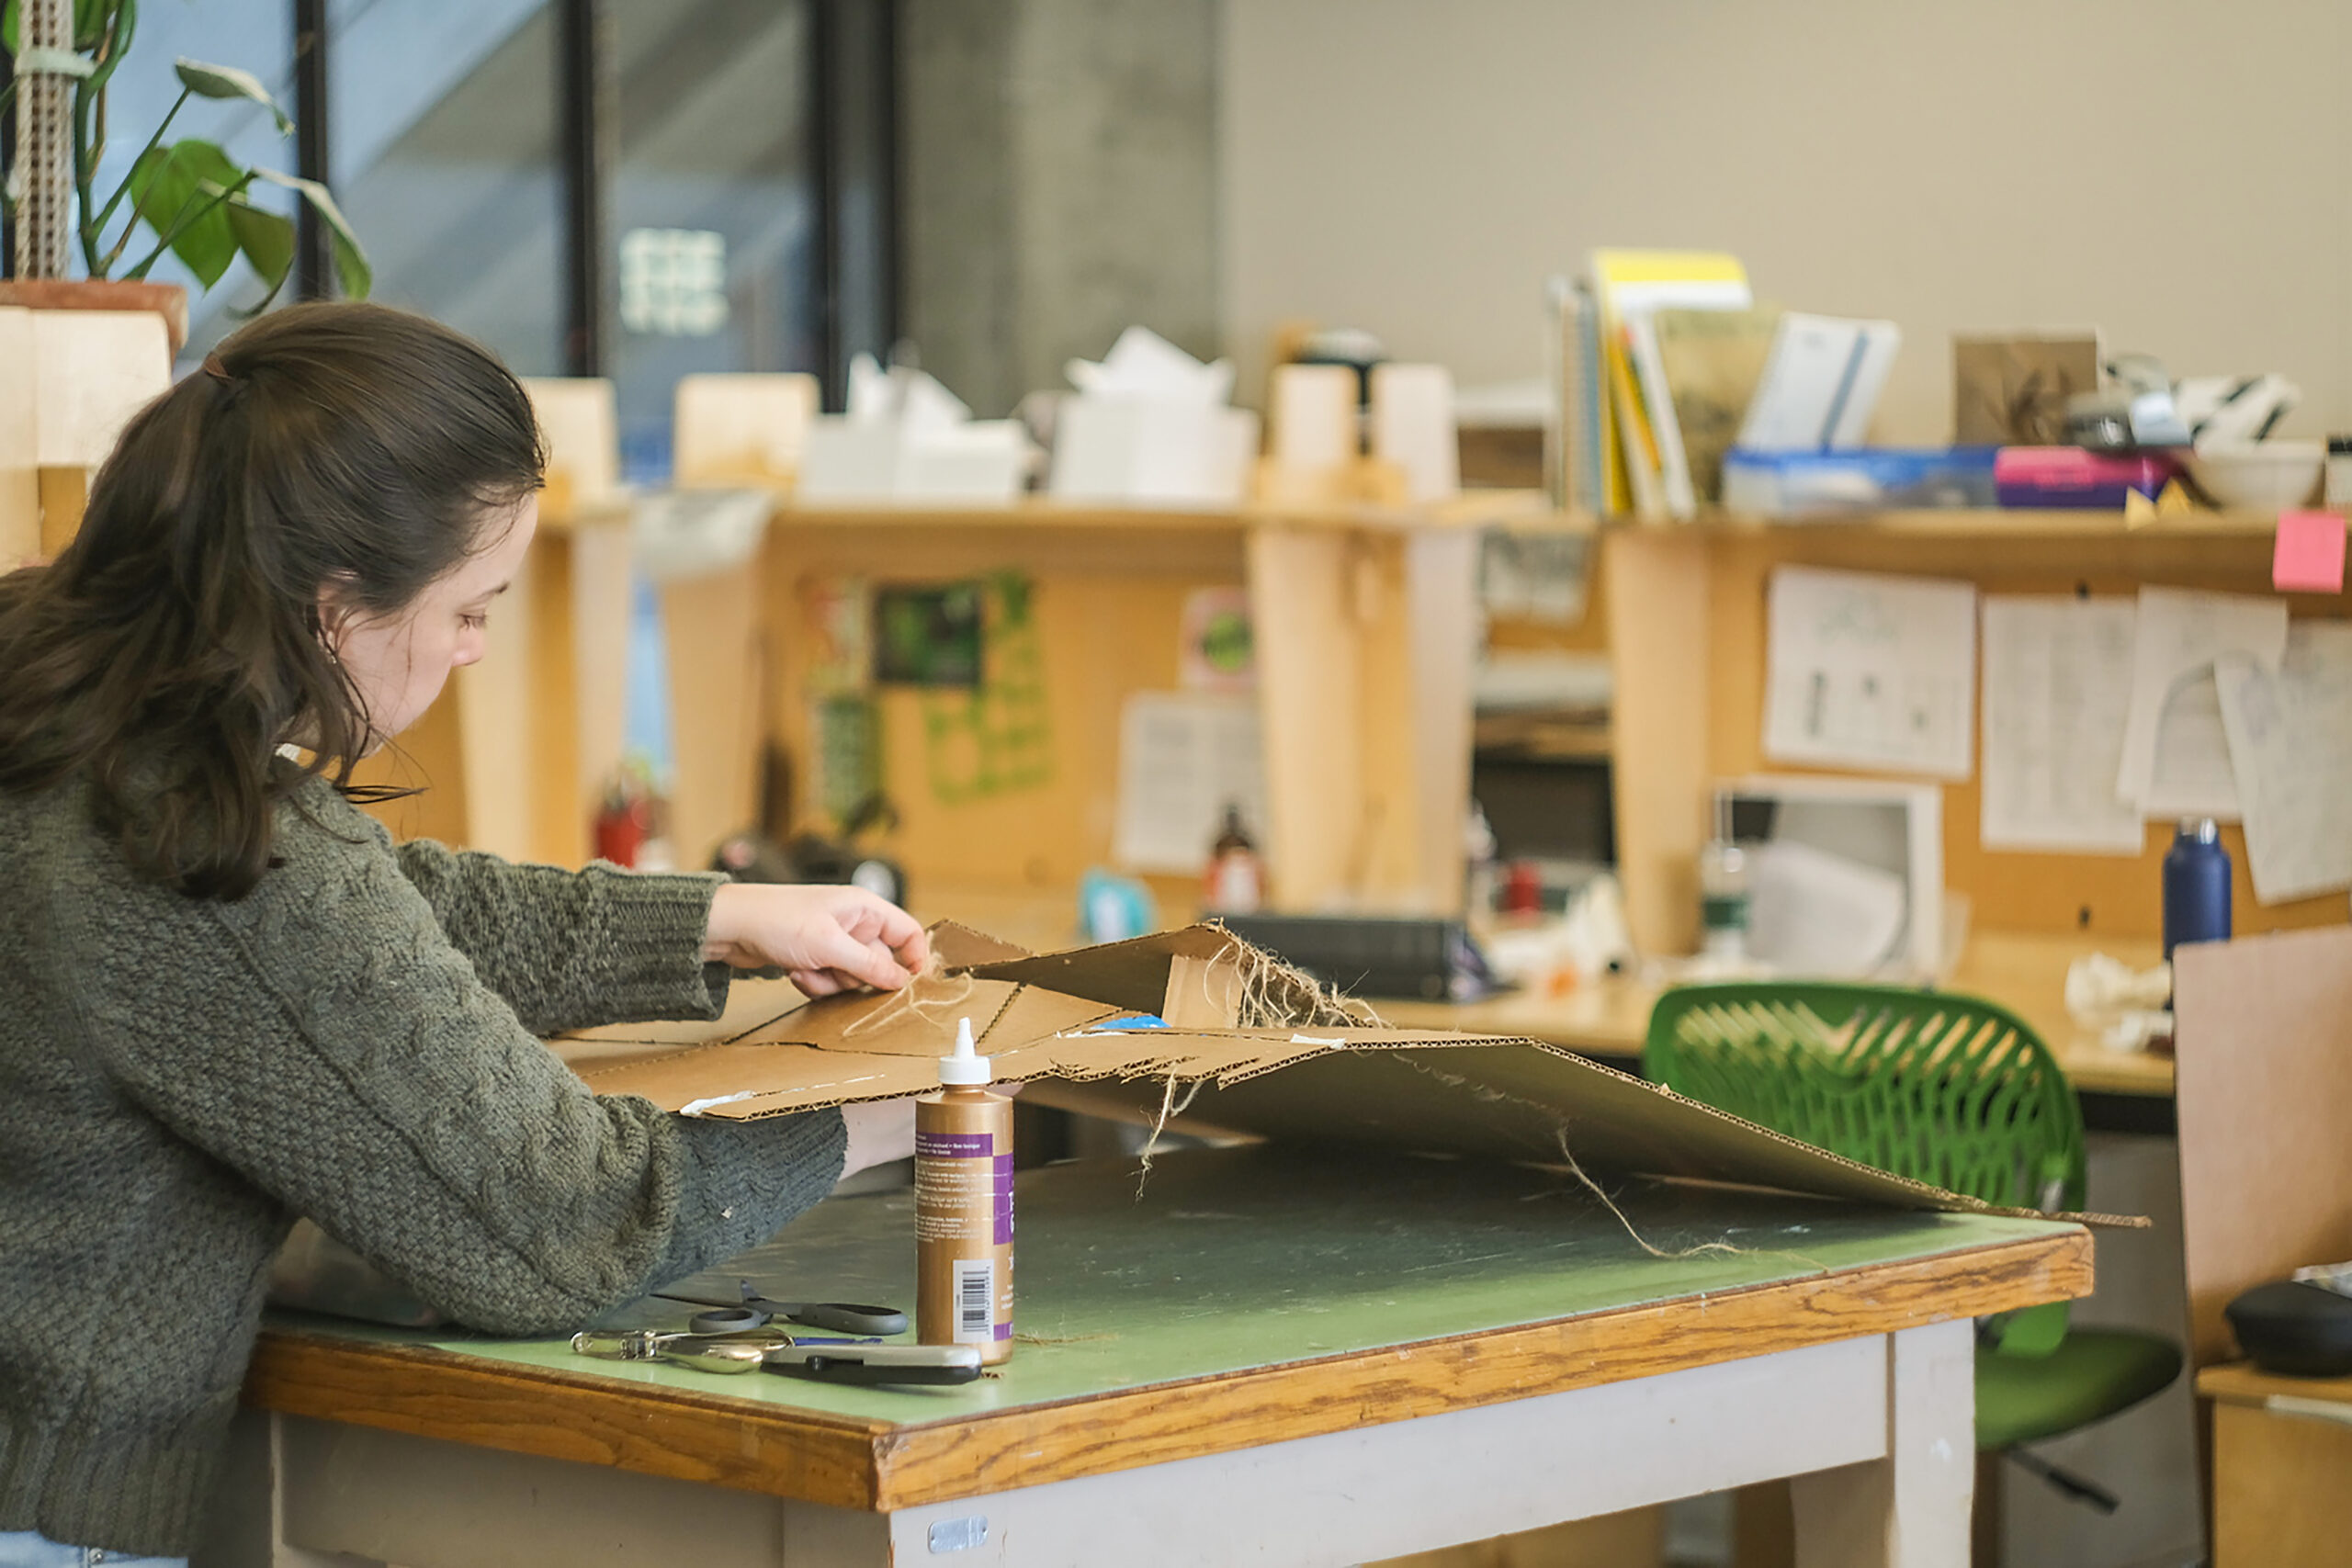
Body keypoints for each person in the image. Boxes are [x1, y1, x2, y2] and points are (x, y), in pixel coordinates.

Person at [0, 302, 929, 1566]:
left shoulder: (49, 682)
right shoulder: (212, 843)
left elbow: (366, 920)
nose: (479, 651)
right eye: (472, 609)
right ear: (336, 610)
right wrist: (885, 1109)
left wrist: (718, 919)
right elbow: (560, 1227)